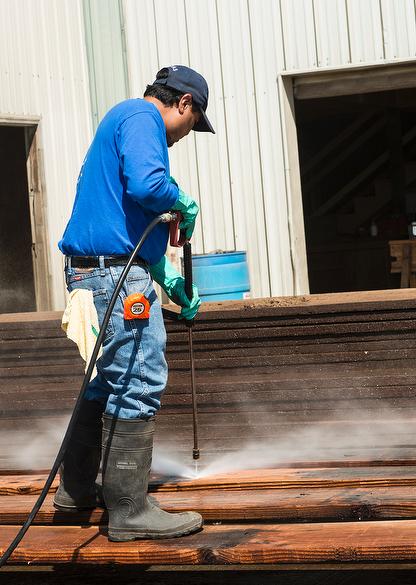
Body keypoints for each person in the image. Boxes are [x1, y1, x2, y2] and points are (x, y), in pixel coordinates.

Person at [54, 65, 215, 542]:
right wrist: (182, 199)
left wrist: (165, 277)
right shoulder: (143, 119)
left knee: (107, 382)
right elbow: (148, 187)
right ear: (183, 104)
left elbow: (127, 216)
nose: (188, 134)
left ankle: (77, 490)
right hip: (114, 277)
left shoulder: (121, 122)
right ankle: (129, 509)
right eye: (194, 122)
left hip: (102, 270)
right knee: (139, 379)